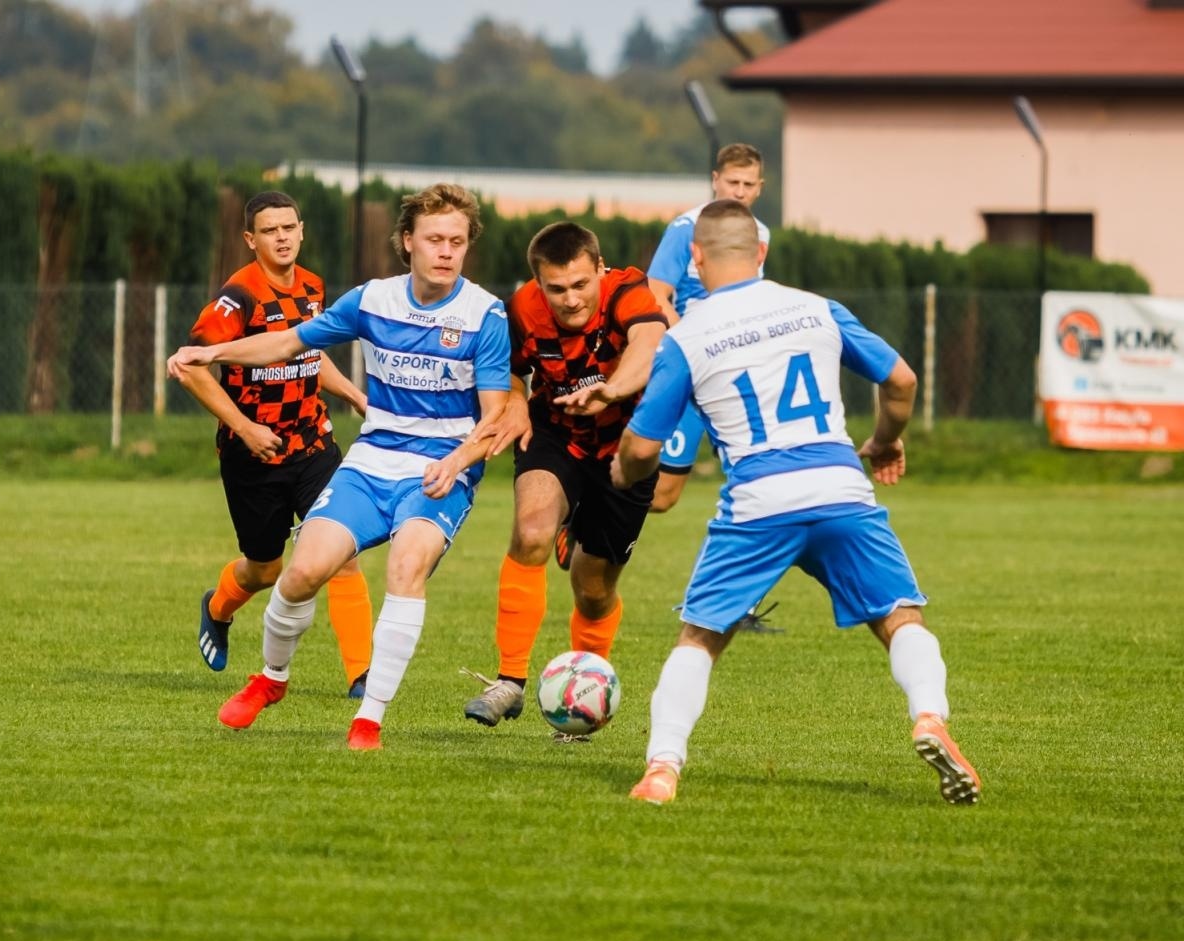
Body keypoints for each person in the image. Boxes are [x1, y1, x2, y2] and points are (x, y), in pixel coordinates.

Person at [612, 199, 980, 806]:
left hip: (759, 500)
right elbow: (903, 380)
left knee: (699, 636)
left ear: (696, 260)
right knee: (899, 617)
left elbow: (643, 445)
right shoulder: (816, 309)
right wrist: (885, 441)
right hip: (840, 488)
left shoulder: (687, 336)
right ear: (760, 253)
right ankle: (930, 718)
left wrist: (624, 472)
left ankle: (662, 769)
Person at [168, 183, 510, 751]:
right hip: (371, 460)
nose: (447, 251)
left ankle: (367, 720)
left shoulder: (484, 315)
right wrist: (213, 352)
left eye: (457, 241)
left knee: (405, 568)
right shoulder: (371, 300)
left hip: (440, 469)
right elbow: (286, 345)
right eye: (434, 240)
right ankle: (271, 681)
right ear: (408, 242)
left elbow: (496, 417)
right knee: (300, 571)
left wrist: (459, 460)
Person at [461, 222, 666, 727]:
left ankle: (586, 686)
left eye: (580, 285)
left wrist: (613, 391)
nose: (571, 299)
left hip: (627, 444)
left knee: (593, 593)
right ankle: (509, 682)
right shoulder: (520, 310)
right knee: (530, 530)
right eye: (556, 289)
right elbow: (503, 367)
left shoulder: (627, 290)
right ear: (537, 282)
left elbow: (648, 343)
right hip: (556, 434)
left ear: (599, 268)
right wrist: (514, 401)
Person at [172, 190, 374, 698]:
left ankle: (363, 676)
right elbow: (190, 367)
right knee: (266, 568)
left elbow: (307, 352)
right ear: (250, 239)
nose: (282, 238)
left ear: (301, 230)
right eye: (270, 230)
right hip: (254, 456)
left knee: (342, 552)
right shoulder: (237, 297)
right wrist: (244, 427)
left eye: (289, 228)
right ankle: (217, 608)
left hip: (313, 445)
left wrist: (353, 394)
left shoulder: (312, 286)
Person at [644, 143, 771, 516]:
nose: (740, 191)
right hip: (687, 366)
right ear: (716, 181)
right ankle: (585, 506)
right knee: (663, 493)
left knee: (755, 474)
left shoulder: (760, 234)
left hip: (730, 370)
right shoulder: (686, 229)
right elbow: (655, 294)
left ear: (760, 187)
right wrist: (694, 344)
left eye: (749, 184)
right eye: (733, 181)